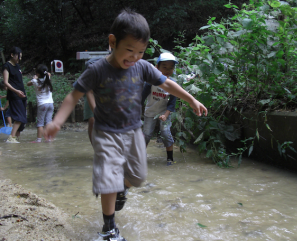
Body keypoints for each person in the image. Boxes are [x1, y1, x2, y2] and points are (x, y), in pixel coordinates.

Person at [44, 9, 207, 241]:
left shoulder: (142, 67)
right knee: (108, 178)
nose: (134, 57)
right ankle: (109, 228)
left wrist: (191, 99)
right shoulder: (97, 69)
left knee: (138, 176)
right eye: (129, 50)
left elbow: (168, 84)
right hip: (106, 132)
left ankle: (122, 188)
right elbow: (74, 95)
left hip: (132, 132)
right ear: (113, 42)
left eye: (140, 52)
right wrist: (57, 122)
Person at [141, 52, 178, 166]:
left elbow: (172, 104)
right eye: (164, 67)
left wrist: (166, 115)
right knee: (146, 134)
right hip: (150, 111)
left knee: (166, 133)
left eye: (171, 68)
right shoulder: (150, 83)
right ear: (157, 68)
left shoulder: (173, 84)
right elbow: (141, 99)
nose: (167, 70)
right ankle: (140, 159)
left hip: (164, 112)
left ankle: (170, 159)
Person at [3, 47, 27, 143]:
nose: (19, 59)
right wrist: (16, 91)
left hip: (22, 94)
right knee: (19, 116)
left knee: (23, 118)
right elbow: (5, 82)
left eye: (21, 57)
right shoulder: (6, 66)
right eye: (18, 56)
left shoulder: (18, 66)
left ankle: (16, 138)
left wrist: (21, 92)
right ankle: (11, 137)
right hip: (14, 94)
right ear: (12, 55)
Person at [27, 64, 54, 143]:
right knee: (48, 121)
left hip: (42, 104)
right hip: (50, 103)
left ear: (37, 73)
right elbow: (49, 74)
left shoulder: (35, 81)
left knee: (40, 123)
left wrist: (35, 78)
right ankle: (49, 139)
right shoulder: (48, 79)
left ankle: (39, 140)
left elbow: (28, 84)